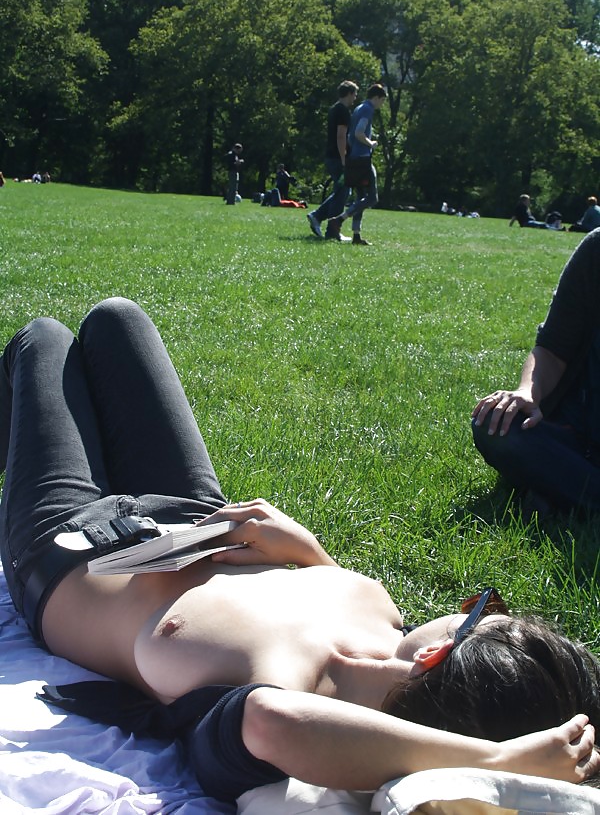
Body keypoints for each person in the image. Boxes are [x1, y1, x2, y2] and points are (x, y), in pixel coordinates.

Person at [1, 298, 599, 805]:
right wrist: (309, 552)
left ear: (437, 654)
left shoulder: (289, 700)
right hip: (193, 510)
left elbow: (271, 724)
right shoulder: (390, 630)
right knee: (116, 318)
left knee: (43, 340)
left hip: (69, 543)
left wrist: (494, 764)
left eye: (480, 611)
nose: (468, 604)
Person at [472, 227, 600, 516]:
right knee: (494, 424)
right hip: (576, 439)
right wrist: (527, 391)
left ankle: (561, 491)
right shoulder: (597, 250)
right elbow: (552, 350)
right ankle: (573, 491)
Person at [306, 80, 358, 242]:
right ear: (349, 93)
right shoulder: (342, 111)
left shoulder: (334, 108)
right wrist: (344, 159)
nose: (355, 98)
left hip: (331, 156)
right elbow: (341, 136)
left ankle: (317, 216)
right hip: (337, 157)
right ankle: (332, 230)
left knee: (342, 191)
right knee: (343, 192)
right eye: (354, 94)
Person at [340, 83, 388, 246]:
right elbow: (359, 132)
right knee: (372, 198)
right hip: (363, 158)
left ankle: (356, 235)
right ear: (376, 97)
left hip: (354, 157)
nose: (382, 104)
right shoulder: (367, 109)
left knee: (360, 197)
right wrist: (371, 144)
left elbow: (350, 137)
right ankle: (340, 219)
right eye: (382, 100)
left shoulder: (358, 108)